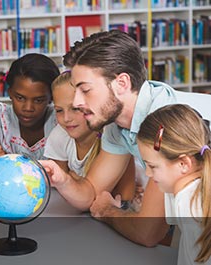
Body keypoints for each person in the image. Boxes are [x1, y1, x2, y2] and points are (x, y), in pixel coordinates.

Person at [40, 30, 211, 247]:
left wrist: (107, 211)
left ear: (122, 83)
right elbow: (92, 192)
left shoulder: (162, 125)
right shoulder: (116, 124)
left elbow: (147, 232)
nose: (76, 102)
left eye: (85, 90)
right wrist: (63, 180)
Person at [137, 104, 211, 264]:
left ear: (184, 163)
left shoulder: (189, 205)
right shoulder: (187, 190)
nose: (148, 174)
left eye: (152, 166)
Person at [44, 71, 135, 201]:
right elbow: (59, 189)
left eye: (75, 108)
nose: (66, 118)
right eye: (59, 110)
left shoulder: (115, 135)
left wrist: (74, 180)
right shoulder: (59, 136)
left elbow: (124, 197)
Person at [0, 53, 60, 160]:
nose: (28, 108)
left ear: (51, 97)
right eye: (20, 98)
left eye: (38, 100)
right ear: (10, 92)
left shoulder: (60, 123)